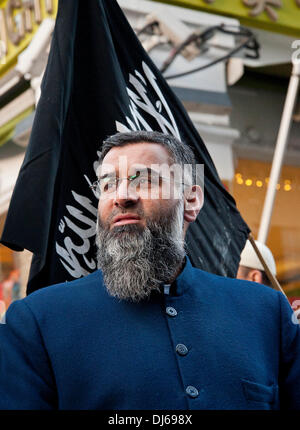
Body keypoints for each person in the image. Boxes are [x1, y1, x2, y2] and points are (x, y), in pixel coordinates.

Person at [0, 130, 299, 410]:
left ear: (191, 199)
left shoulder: (265, 312)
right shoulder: (37, 322)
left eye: (143, 179)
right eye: (108, 184)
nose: (122, 196)